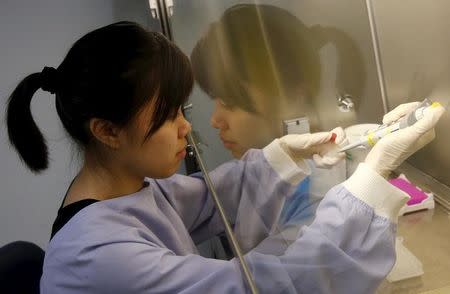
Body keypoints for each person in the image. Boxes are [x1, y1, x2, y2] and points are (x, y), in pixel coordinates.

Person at [5, 21, 444, 293]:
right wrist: (371, 180)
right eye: (167, 115)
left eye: (183, 110)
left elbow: (212, 198)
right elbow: (264, 289)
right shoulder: (96, 255)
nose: (187, 127)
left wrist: (282, 154)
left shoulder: (126, 193)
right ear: (106, 131)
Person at [190, 4, 363, 228]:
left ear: (292, 93)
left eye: (229, 103)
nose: (215, 121)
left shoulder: (316, 192)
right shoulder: (264, 178)